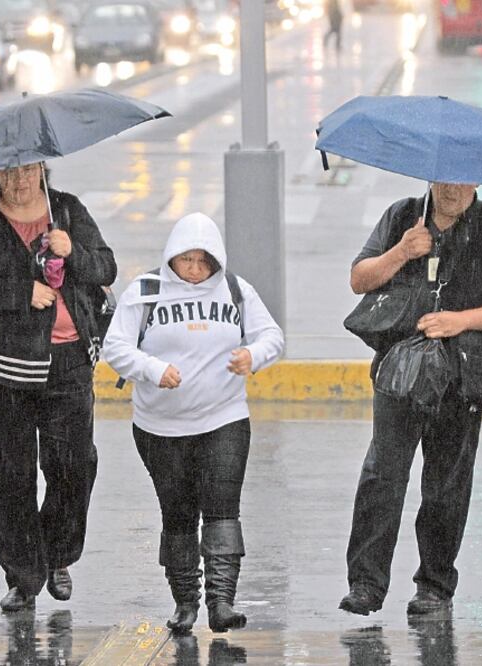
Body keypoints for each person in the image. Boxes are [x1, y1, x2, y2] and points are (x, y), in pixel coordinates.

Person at [338, 182, 482, 616]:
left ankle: (435, 585)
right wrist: (402, 251)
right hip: (399, 371)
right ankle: (366, 584)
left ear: (476, 182)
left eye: (461, 178)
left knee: (447, 484)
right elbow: (358, 279)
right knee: (382, 475)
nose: (451, 188)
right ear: (429, 177)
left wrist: (459, 320)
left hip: (461, 376)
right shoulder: (401, 216)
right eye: (443, 177)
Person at [0, 162, 117, 612]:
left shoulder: (67, 210)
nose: (19, 181)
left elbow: (105, 267)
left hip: (67, 360)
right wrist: (20, 293)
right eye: (9, 173)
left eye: (28, 171)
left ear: (43, 170)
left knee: (74, 464)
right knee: (8, 474)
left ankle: (57, 554)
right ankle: (23, 575)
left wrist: (72, 250)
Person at [102, 212, 284, 635]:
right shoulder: (145, 291)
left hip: (224, 418)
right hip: (160, 429)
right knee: (178, 513)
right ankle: (186, 602)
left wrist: (252, 356)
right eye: (188, 260)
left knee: (223, 510)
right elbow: (116, 346)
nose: (196, 269)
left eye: (205, 261)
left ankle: (222, 602)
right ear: (172, 256)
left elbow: (271, 335)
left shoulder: (236, 290)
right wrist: (152, 368)